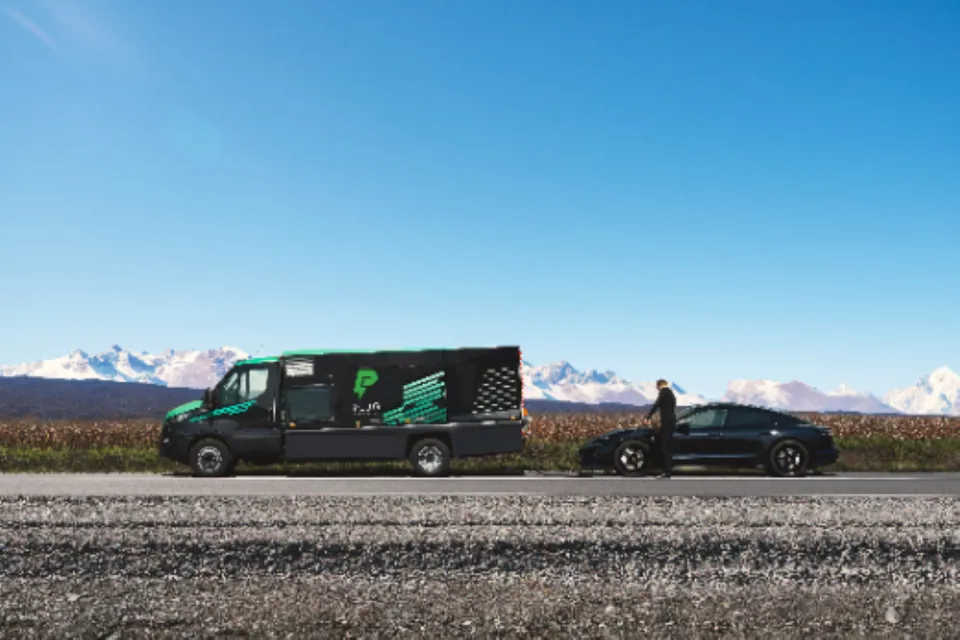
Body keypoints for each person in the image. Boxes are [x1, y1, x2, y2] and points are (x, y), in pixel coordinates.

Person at [645, 379, 677, 478]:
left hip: (666, 422)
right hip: (671, 422)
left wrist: (648, 416)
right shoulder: (671, 393)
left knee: (664, 446)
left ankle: (667, 471)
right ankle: (668, 470)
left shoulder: (664, 392)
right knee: (667, 446)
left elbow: (657, 404)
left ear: (659, 385)